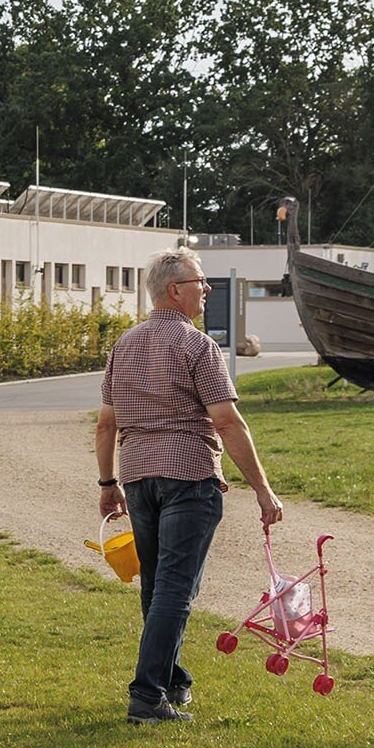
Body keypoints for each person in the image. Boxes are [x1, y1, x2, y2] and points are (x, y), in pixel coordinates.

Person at [95, 247, 287, 723]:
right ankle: (146, 694)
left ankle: (173, 678)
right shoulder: (196, 346)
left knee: (158, 585)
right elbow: (227, 421)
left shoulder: (123, 345)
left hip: (138, 476)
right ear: (174, 290)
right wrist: (263, 489)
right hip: (189, 475)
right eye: (200, 281)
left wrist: (107, 482)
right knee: (176, 587)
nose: (207, 289)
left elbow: (105, 425)